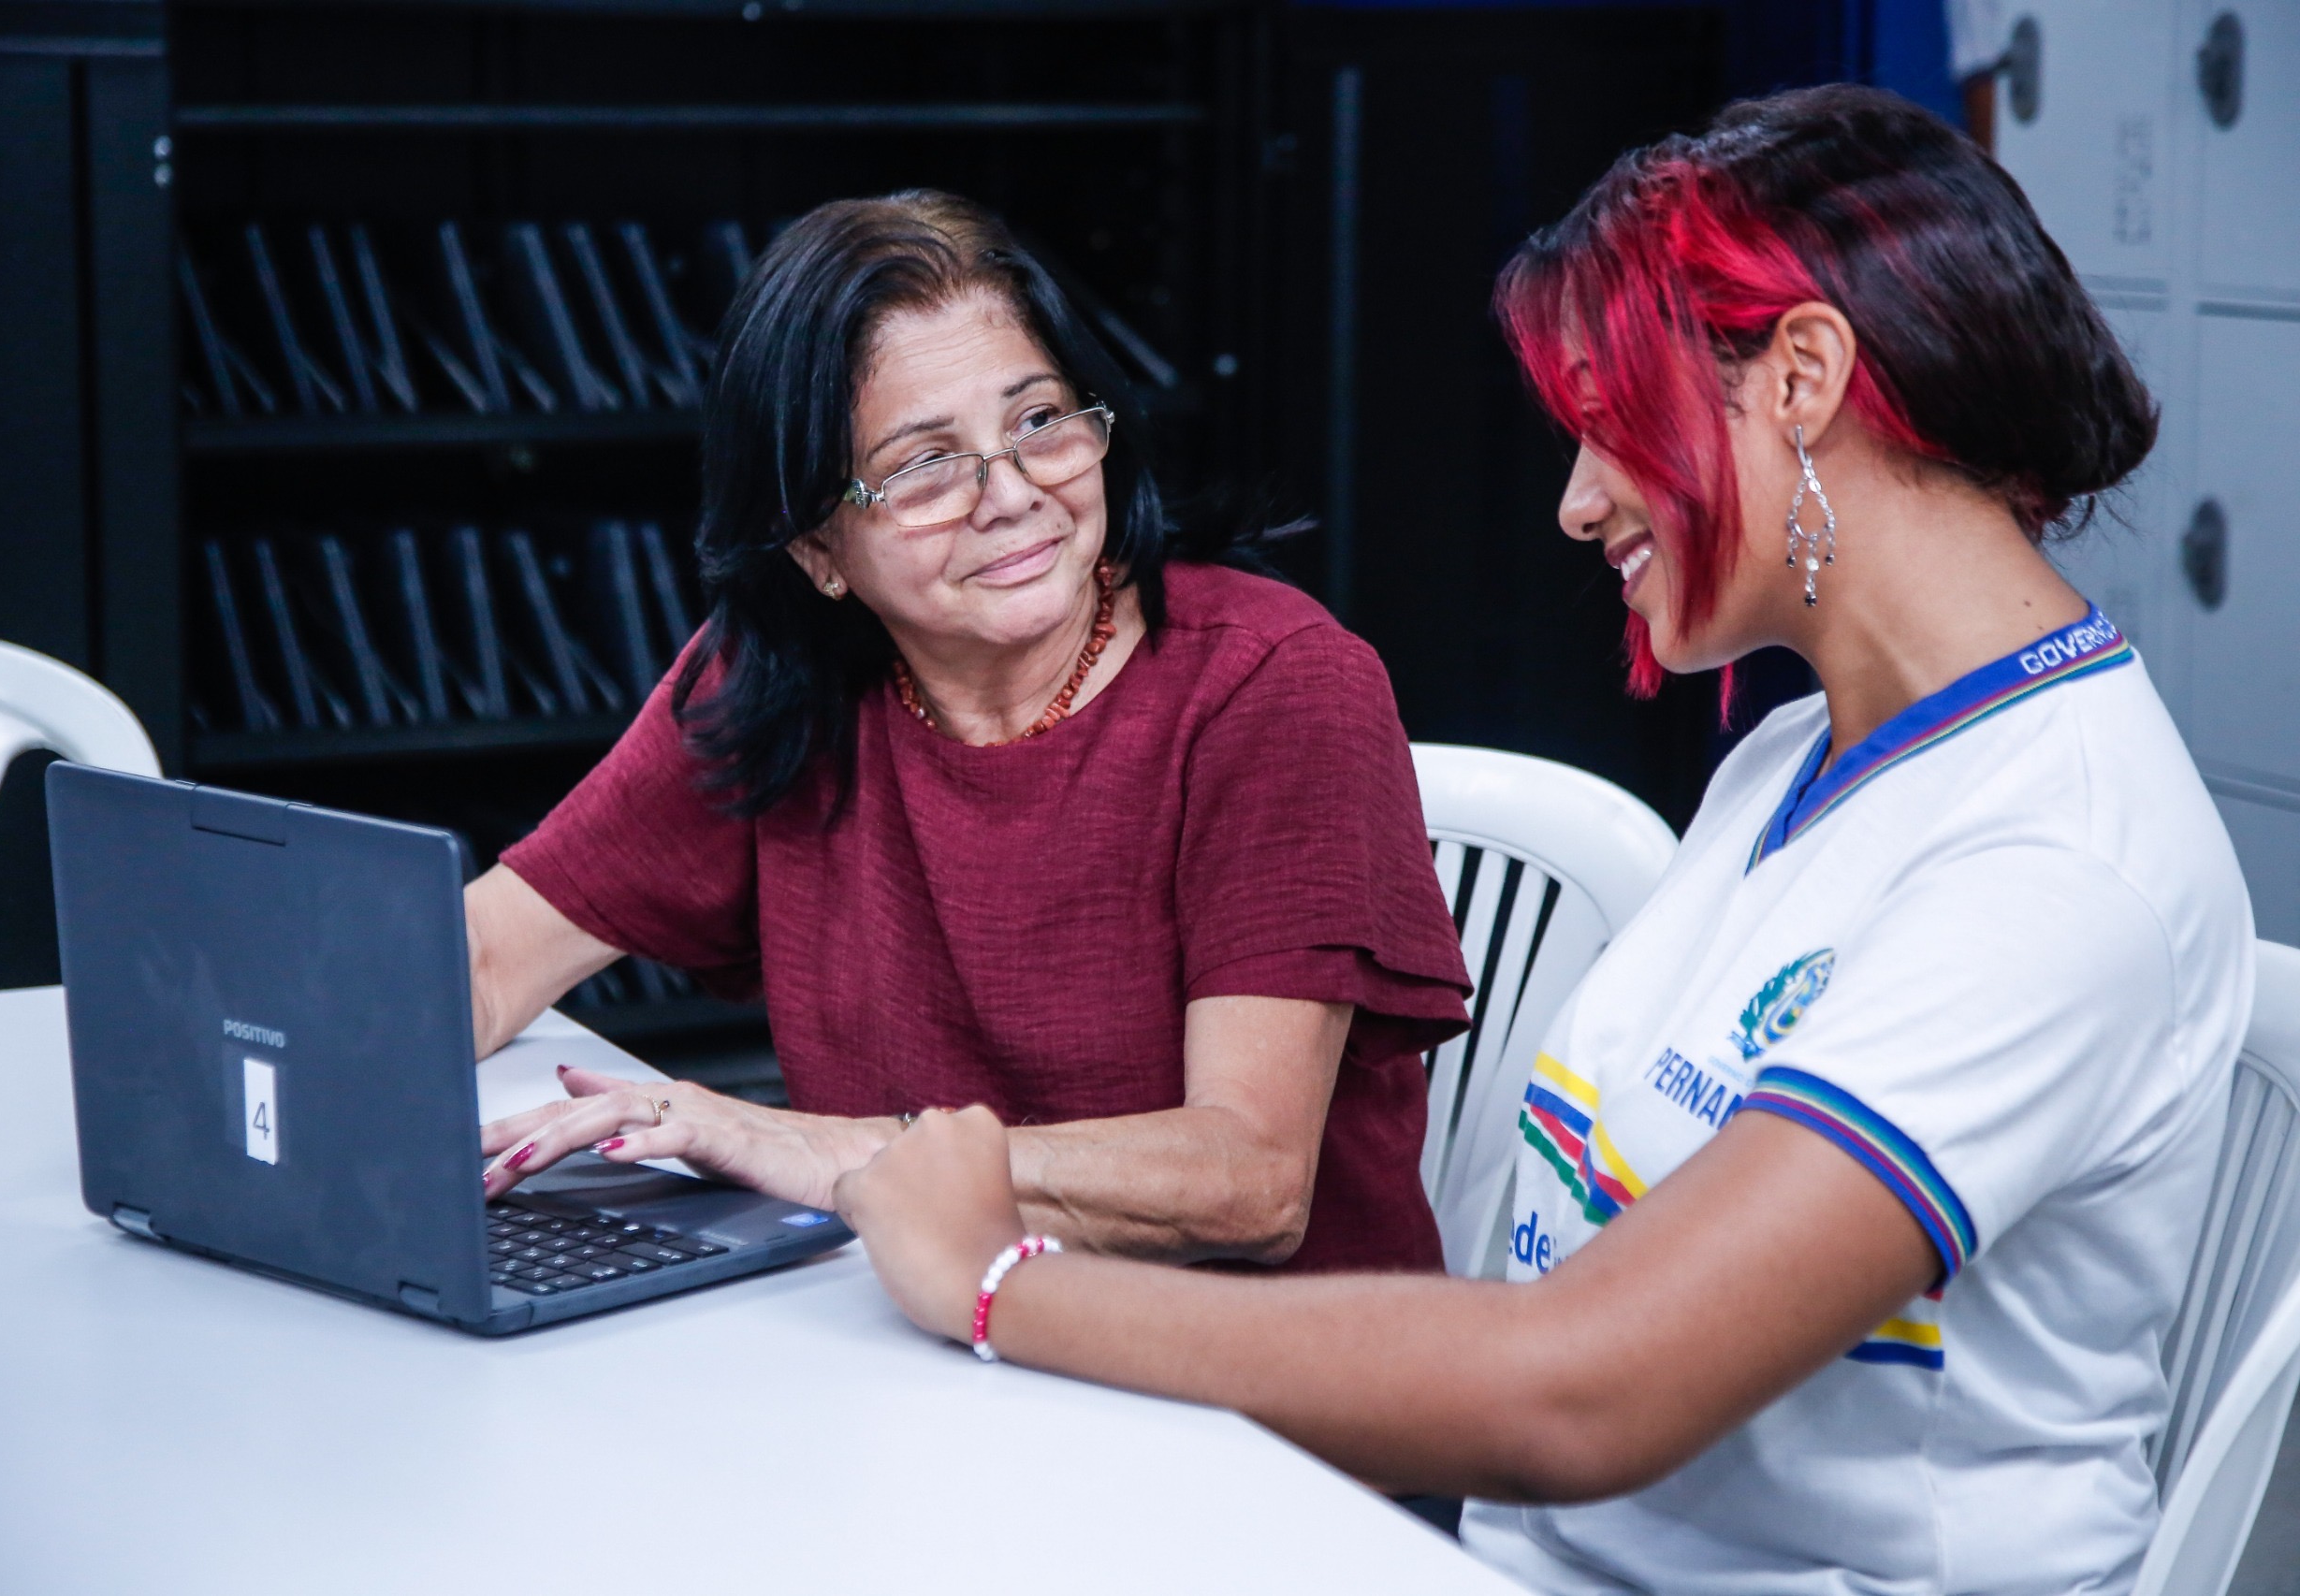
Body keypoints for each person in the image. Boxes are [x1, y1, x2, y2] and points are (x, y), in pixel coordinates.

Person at [829, 85, 2256, 1594]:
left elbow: (1580, 1389)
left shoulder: (2057, 866)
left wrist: (1000, 1285)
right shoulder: (1797, 756)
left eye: (1611, 424)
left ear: (1805, 375)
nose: (1578, 503)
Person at [470, 190, 1472, 1273]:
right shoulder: (775, 682)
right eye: (923, 466)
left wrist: (828, 1149)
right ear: (815, 548)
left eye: (1040, 421)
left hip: (1256, 1394)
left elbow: (1246, 1179)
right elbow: (480, 958)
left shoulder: (1273, 684)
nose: (1008, 494)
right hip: (934, 1342)